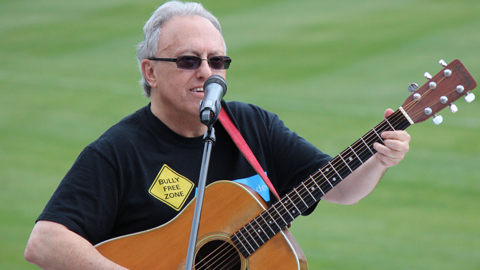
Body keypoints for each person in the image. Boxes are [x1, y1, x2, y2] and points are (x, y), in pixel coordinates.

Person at [24, 1, 410, 269]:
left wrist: (379, 159)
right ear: (151, 72)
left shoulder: (252, 125)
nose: (207, 72)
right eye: (189, 61)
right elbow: (44, 242)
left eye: (217, 61)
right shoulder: (119, 151)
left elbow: (340, 189)